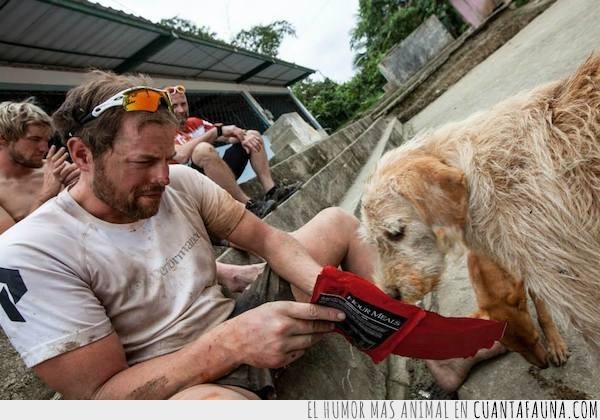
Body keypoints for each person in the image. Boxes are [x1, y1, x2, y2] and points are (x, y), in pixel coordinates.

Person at [0, 72, 503, 400]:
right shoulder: (29, 253)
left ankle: (445, 357)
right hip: (185, 382)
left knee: (335, 222)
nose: (163, 176)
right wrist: (229, 345)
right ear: (83, 156)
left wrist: (327, 284)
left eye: (165, 157)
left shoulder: (180, 180)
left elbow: (271, 242)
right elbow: (99, 399)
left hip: (238, 318)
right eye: (142, 163)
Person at [166, 84, 301, 218]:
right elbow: (181, 156)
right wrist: (215, 131)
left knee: (252, 135)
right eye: (175, 106)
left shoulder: (194, 123)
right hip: (195, 191)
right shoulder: (162, 131)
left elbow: (227, 137)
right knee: (203, 150)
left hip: (218, 178)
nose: (181, 110)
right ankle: (248, 206)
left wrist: (243, 135)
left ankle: (272, 190)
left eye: (183, 104)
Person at [0, 100, 79, 235]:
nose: (44, 148)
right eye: (35, 139)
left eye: (47, 140)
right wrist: (47, 195)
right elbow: (12, 244)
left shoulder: (59, 170)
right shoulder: (53, 178)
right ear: (3, 138)